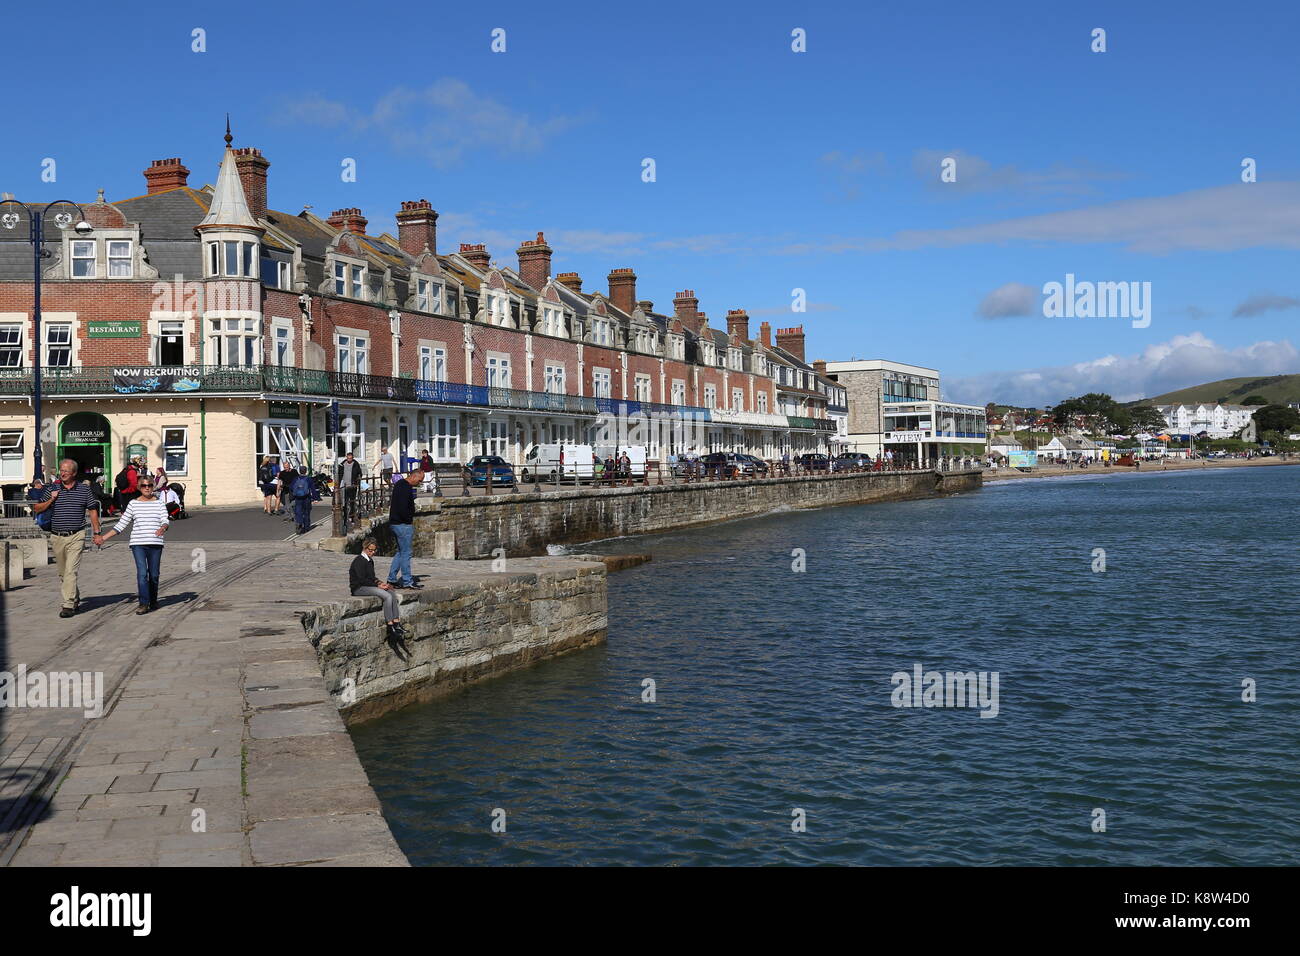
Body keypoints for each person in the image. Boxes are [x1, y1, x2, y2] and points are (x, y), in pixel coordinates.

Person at [31, 459, 103, 618]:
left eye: (66, 471)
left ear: (74, 473)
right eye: (61, 471)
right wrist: (51, 500)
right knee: (63, 573)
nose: (62, 473)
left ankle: (68, 604)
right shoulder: (53, 488)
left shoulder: (84, 490)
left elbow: (92, 511)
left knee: (71, 571)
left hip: (77, 535)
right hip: (57, 536)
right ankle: (75, 598)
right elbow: (37, 508)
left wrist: (97, 533)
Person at [94, 474, 168, 614]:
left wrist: (163, 527)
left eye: (150, 485)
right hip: (138, 543)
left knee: (154, 575)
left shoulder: (159, 503)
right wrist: (103, 537)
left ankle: (153, 600)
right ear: (139, 487)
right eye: (144, 485)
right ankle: (143, 603)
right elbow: (121, 524)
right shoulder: (133, 504)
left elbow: (165, 519)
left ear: (153, 487)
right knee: (142, 573)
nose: (147, 488)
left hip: (155, 543)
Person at [350, 537, 406, 638]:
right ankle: (390, 624)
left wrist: (381, 583)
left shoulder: (370, 561)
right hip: (359, 588)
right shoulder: (359, 561)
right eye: (370, 550)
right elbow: (361, 579)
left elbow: (371, 577)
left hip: (368, 585)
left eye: (374, 550)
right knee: (386, 596)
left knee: (391, 592)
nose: (372, 552)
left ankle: (396, 622)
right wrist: (378, 585)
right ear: (364, 548)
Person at [387, 469, 422, 590]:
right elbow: (403, 507)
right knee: (406, 553)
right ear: (414, 476)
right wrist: (408, 519)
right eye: (420, 480)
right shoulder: (406, 487)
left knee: (400, 552)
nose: (420, 483)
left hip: (394, 523)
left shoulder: (399, 484)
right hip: (402, 524)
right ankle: (407, 581)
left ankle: (391, 579)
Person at [290, 464, 319, 534]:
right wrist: (315, 498)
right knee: (306, 513)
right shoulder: (309, 479)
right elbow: (313, 489)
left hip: (298, 498)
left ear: (299, 471)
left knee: (298, 512)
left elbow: (291, 487)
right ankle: (306, 528)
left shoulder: (296, 479)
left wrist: (294, 495)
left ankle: (299, 523)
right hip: (307, 498)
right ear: (306, 471)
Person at [337, 451, 362, 521]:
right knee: (345, 501)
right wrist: (338, 484)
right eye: (348, 458)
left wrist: (357, 482)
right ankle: (345, 516)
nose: (349, 460)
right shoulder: (342, 464)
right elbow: (339, 474)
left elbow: (360, 474)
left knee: (352, 501)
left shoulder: (356, 464)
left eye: (350, 459)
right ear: (346, 458)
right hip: (344, 486)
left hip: (353, 486)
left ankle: (352, 516)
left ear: (352, 458)